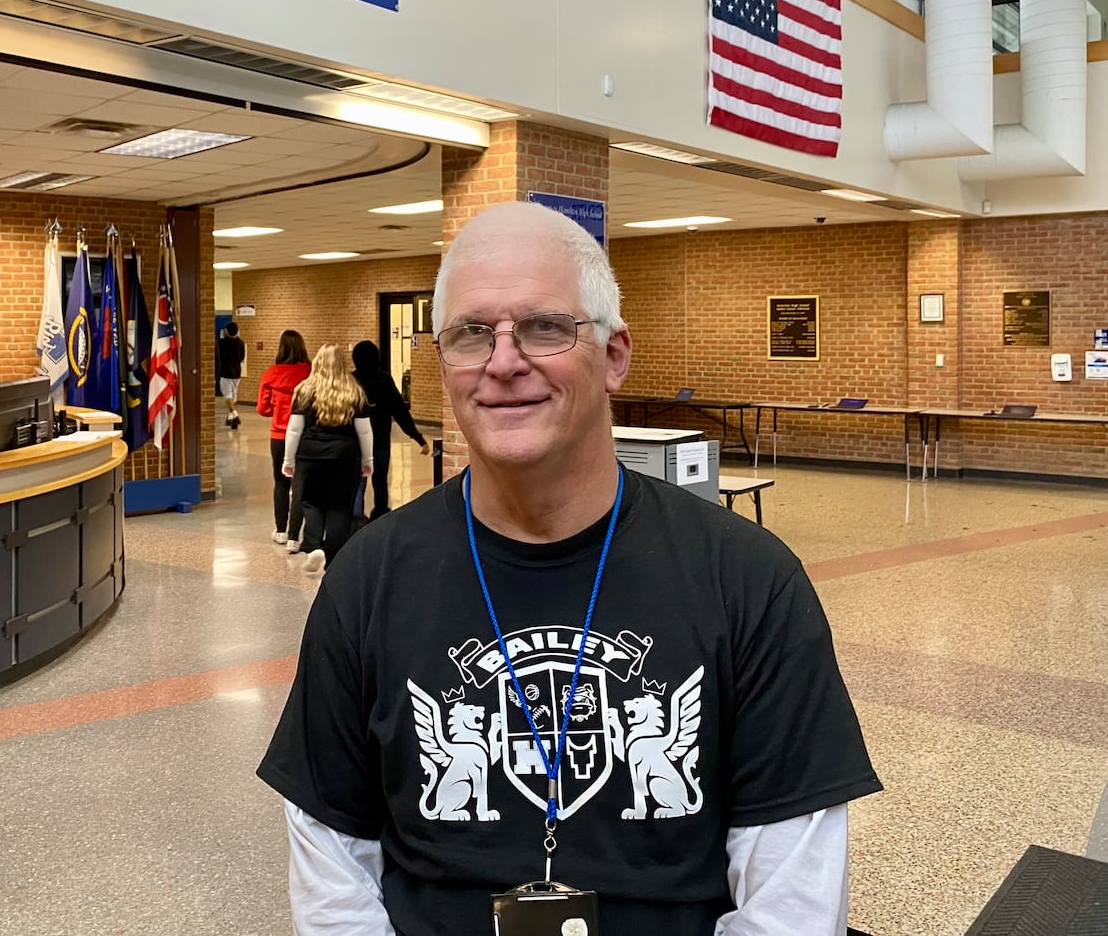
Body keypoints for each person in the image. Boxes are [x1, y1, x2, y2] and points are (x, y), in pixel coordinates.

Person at [258, 202, 880, 935]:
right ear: (442, 364)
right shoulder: (368, 578)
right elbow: (336, 870)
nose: (503, 361)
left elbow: (791, 903)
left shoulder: (750, 581)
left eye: (546, 327)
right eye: (470, 334)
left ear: (615, 355)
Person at [281, 344, 373, 576]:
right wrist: (367, 459)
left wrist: (288, 459)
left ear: (317, 363)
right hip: (345, 456)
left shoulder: (304, 390)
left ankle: (313, 545)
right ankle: (334, 556)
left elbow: (294, 429)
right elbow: (364, 431)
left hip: (310, 455)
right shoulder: (354, 391)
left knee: (310, 502)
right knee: (340, 507)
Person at [351, 340, 429, 519]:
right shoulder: (384, 380)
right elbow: (400, 411)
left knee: (358, 484)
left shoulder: (351, 381)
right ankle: (380, 517)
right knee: (380, 483)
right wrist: (418, 438)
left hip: (356, 444)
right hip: (380, 443)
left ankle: (355, 522)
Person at [257, 329, 311, 544]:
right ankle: (294, 535)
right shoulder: (309, 372)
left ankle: (280, 529)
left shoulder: (270, 374)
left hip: (279, 435)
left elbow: (262, 409)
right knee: (300, 483)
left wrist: (278, 410)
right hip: (305, 435)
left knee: (281, 483)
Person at [217, 321, 246, 429]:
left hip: (225, 373)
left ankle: (235, 415)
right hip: (237, 373)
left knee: (227, 396)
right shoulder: (241, 343)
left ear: (227, 331)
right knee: (234, 396)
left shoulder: (221, 343)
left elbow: (218, 357)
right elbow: (242, 358)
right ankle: (231, 419)